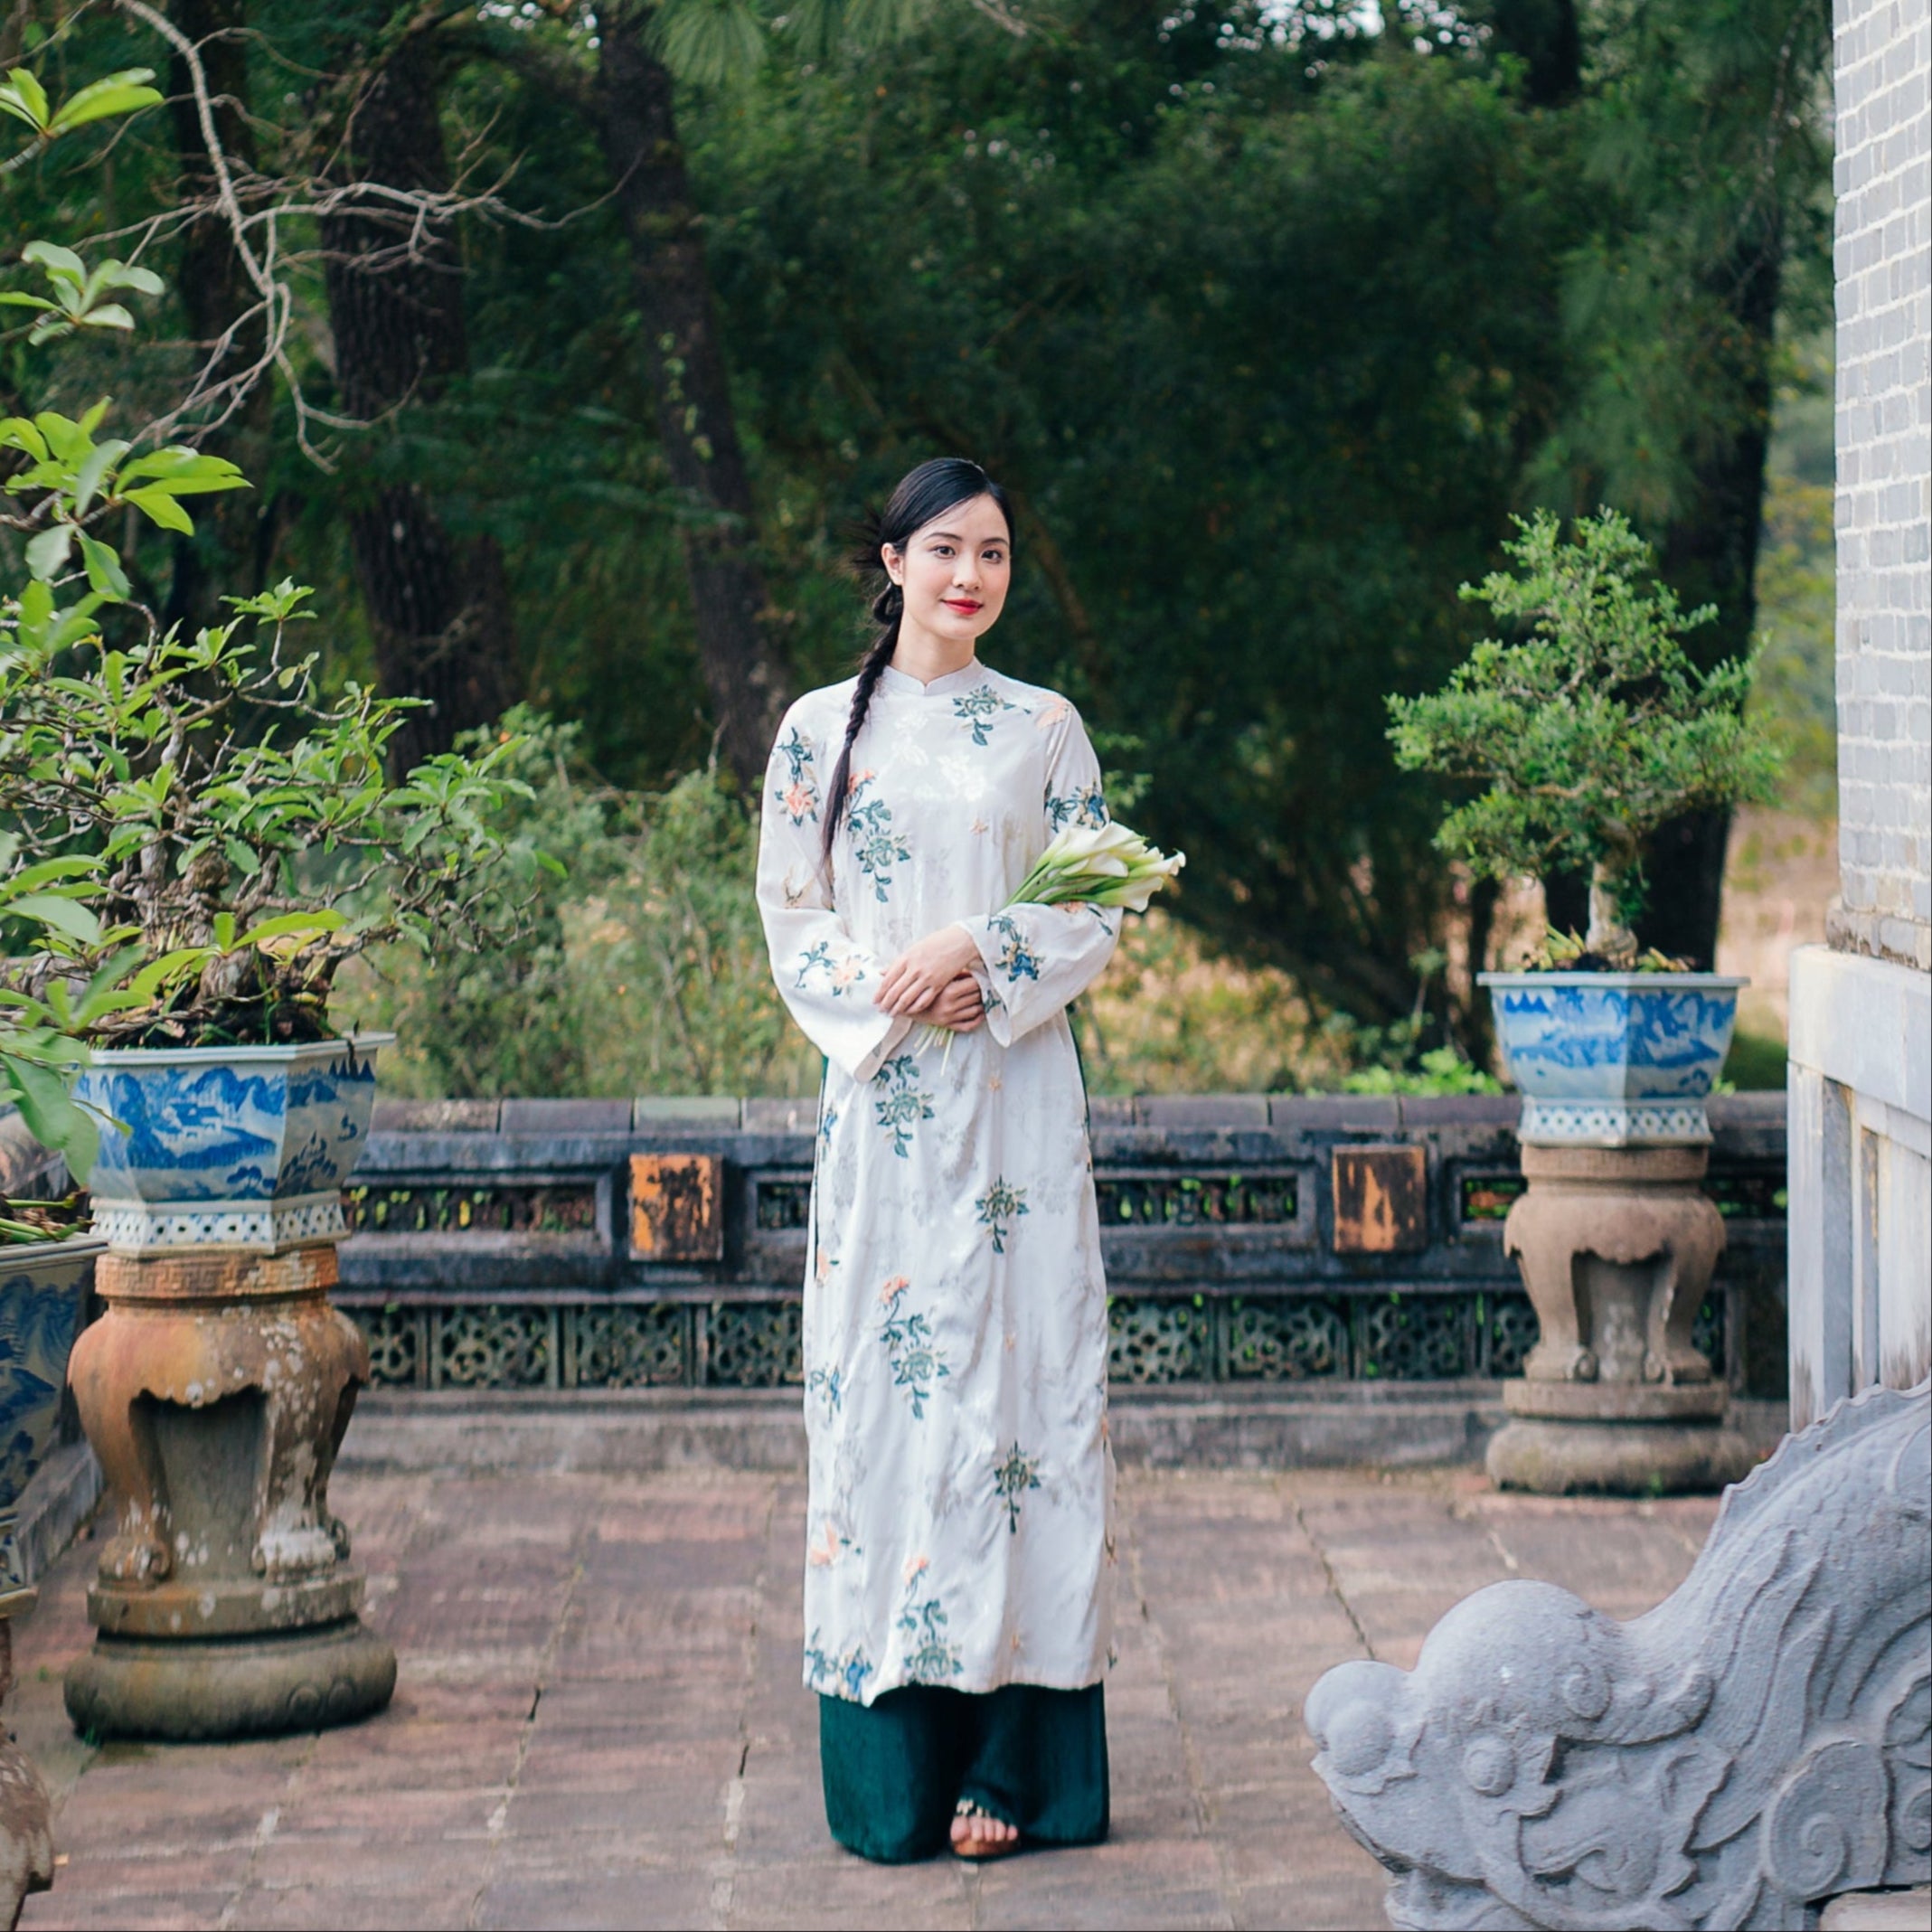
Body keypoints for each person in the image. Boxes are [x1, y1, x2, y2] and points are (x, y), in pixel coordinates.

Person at [756, 457, 1120, 1863]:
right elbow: (793, 916)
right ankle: (895, 1772)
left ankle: (1023, 1763)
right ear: (892, 561)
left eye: (996, 555)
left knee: (1028, 1411)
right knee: (889, 1413)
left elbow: (1092, 895)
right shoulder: (813, 735)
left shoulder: (1043, 728)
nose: (972, 577)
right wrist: (899, 989)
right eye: (947, 551)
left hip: (1019, 1107)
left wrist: (986, 954)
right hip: (886, 1111)